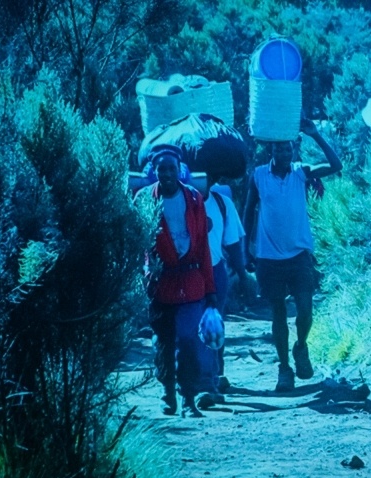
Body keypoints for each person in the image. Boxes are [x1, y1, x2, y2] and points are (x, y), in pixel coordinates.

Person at [243, 117, 342, 392]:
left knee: (306, 310)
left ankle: (301, 346)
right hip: (269, 257)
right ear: (271, 151)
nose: (285, 154)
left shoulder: (301, 172)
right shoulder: (260, 176)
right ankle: (284, 369)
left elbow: (336, 165)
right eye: (279, 149)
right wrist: (245, 249)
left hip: (299, 254)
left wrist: (315, 135)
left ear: (293, 150)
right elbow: (248, 211)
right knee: (277, 313)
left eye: (288, 149)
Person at [137, 145, 218, 418]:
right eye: (162, 169)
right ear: (154, 171)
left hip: (192, 280)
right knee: (164, 340)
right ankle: (167, 393)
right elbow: (139, 245)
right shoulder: (144, 200)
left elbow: (204, 248)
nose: (167, 173)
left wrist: (211, 290)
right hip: (160, 283)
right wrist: (143, 280)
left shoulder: (194, 198)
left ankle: (188, 398)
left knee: (188, 340)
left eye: (172, 168)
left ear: (180, 169)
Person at [194, 173, 250, 404]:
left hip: (216, 270)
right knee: (189, 326)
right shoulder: (181, 200)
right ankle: (198, 378)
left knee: (213, 324)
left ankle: (213, 376)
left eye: (205, 175)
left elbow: (233, 243)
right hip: (185, 271)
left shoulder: (221, 203)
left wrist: (243, 275)